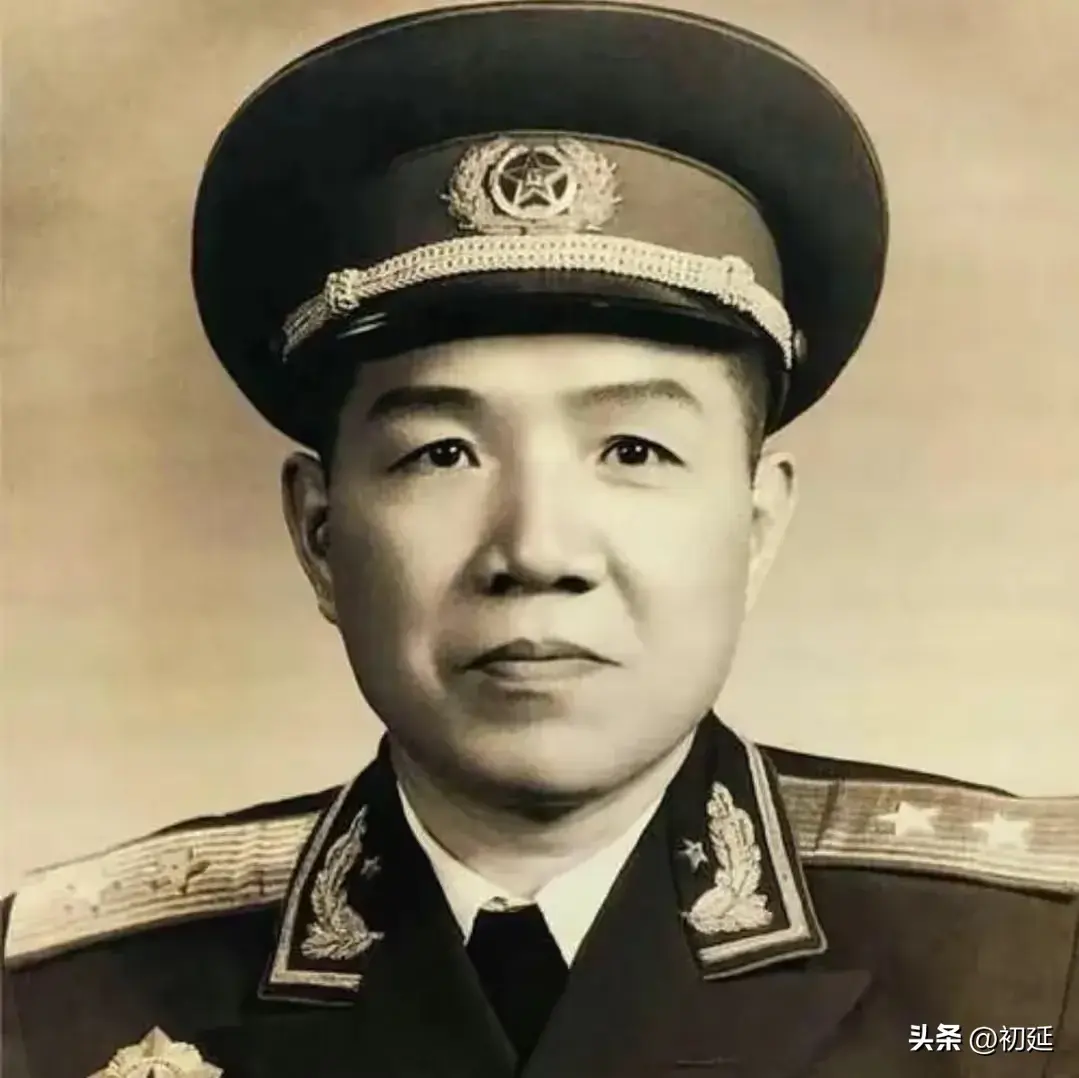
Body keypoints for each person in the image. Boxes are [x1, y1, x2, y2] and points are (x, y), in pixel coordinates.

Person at [3, 3, 1077, 1076]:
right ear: (319, 533)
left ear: (754, 527)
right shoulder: (54, 1006)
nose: (536, 550)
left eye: (633, 450)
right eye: (442, 454)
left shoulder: (1027, 976)